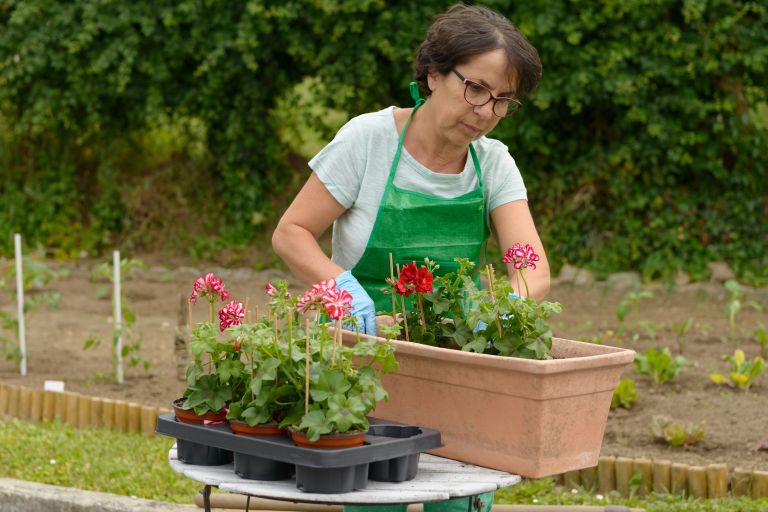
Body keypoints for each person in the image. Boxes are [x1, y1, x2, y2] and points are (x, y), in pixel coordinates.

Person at [273, 5, 548, 511]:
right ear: (434, 74)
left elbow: (530, 265)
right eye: (476, 89)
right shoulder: (369, 141)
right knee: (376, 497)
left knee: (458, 496)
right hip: (365, 362)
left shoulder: (493, 164)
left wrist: (504, 310)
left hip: (454, 363)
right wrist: (342, 288)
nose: (486, 111)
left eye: (503, 100)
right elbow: (291, 232)